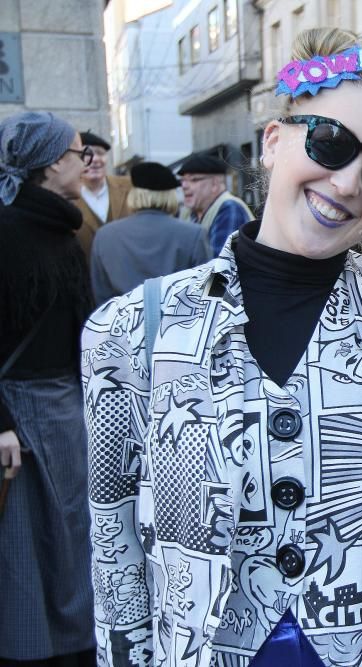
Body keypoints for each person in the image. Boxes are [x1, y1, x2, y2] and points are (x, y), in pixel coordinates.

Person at [82, 28, 362, 667]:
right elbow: (115, 546)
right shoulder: (132, 330)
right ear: (274, 139)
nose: (347, 184)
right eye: (331, 144)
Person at [0, 112, 96, 665]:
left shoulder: (62, 230)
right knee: (26, 542)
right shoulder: (8, 231)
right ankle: (31, 649)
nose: (87, 162)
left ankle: (75, 643)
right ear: (51, 163)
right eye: (79, 152)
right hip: (20, 414)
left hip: (64, 407)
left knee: (70, 535)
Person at [89, 161, 212, 305]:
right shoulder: (194, 234)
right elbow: (210, 292)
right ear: (170, 195)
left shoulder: (105, 236)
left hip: (122, 324)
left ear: (134, 194)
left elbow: (100, 297)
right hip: (180, 324)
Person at [177, 153, 253, 256]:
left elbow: (219, 264)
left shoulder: (230, 208)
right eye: (182, 180)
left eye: (193, 179)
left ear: (215, 184)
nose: (184, 186)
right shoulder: (189, 213)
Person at [74, 130, 132, 258]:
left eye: (100, 153)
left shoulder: (129, 187)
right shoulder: (68, 197)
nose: (95, 159)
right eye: (87, 154)